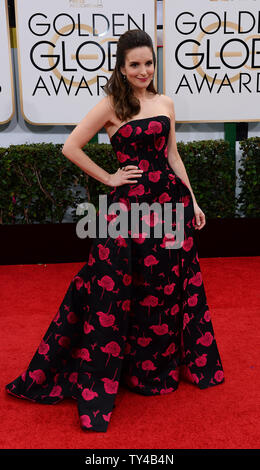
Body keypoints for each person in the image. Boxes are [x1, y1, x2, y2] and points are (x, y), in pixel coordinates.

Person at [6, 29, 224, 432]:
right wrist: (109, 177)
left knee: (166, 287)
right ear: (122, 68)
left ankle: (155, 372)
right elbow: (71, 147)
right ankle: (121, 368)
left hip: (170, 206)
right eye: (135, 64)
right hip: (129, 211)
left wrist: (192, 199)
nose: (143, 70)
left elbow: (173, 154)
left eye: (149, 63)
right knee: (121, 287)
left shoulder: (165, 102)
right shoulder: (109, 106)